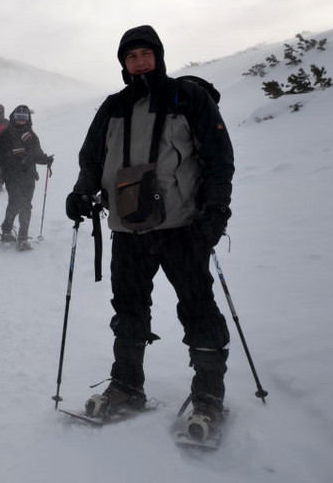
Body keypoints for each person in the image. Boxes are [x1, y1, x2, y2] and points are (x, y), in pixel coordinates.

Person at [65, 25, 234, 438]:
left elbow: (218, 158)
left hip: (183, 229)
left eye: (145, 53)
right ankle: (126, 385)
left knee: (198, 309)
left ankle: (208, 397)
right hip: (127, 229)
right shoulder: (114, 106)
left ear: (158, 55)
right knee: (128, 310)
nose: (139, 61)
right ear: (123, 63)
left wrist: (216, 213)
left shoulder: (187, 97)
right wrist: (82, 191)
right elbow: (91, 158)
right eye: (131, 56)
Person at [0, 105, 53, 251]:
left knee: (26, 205)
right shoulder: (6, 134)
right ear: (13, 117)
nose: (21, 121)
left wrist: (46, 160)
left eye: (24, 118)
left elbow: (37, 154)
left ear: (28, 119)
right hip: (11, 175)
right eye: (18, 118)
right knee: (15, 203)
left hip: (28, 175)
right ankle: (6, 231)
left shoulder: (31, 135)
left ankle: (22, 238)